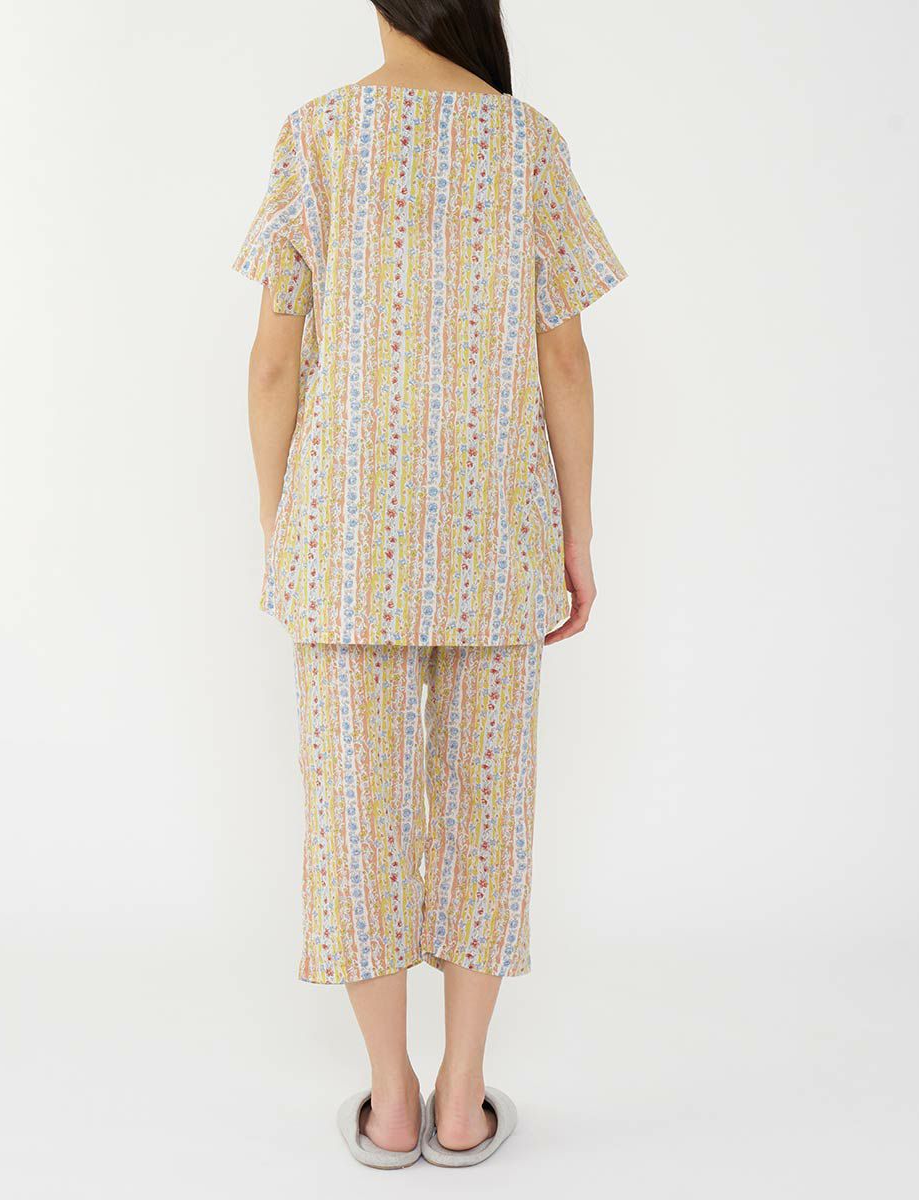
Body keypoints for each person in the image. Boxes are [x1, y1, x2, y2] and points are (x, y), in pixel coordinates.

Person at [234, 0, 624, 1168]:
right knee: (486, 814)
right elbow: (565, 356)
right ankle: (462, 1100)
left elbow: (273, 362)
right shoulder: (527, 141)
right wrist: (578, 537)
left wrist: (282, 523)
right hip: (498, 536)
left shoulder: (317, 133)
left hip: (345, 540)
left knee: (354, 817)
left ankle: (390, 1102)